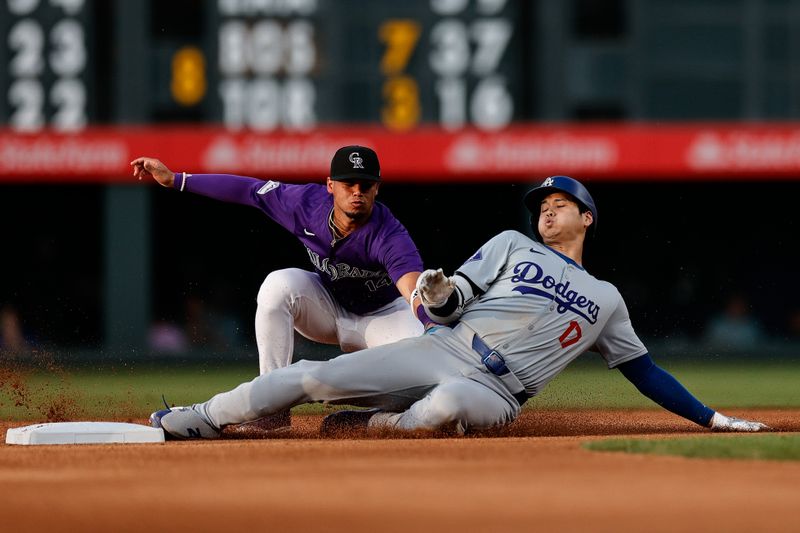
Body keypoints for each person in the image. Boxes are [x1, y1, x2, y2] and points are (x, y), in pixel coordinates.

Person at [150, 175, 769, 439]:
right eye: (543, 203)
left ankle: (374, 423)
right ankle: (202, 415)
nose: (548, 209)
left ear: (588, 218)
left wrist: (711, 418)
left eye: (562, 202)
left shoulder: (607, 301)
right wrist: (440, 295)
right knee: (307, 377)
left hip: (497, 393)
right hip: (440, 345)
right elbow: (448, 307)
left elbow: (645, 372)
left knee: (443, 407)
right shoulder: (508, 243)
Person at [131, 146, 429, 432]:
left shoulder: (389, 234)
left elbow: (412, 289)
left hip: (383, 316)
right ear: (330, 185)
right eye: (348, 183)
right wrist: (177, 180)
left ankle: (372, 420)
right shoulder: (303, 203)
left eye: (365, 185)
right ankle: (271, 409)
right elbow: (246, 190)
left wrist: (432, 324)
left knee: (425, 373)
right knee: (278, 284)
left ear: (377, 188)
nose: (356, 191)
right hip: (328, 305)